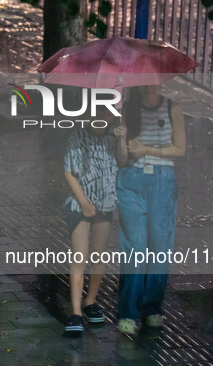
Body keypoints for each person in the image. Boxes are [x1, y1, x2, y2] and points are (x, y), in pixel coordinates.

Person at [116, 85, 186, 335]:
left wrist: (148, 150)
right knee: (134, 247)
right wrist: (120, 138)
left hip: (162, 180)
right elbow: (121, 160)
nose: (150, 82)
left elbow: (180, 149)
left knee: (159, 245)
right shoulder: (126, 109)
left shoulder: (172, 108)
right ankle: (128, 312)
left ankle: (152, 307)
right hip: (130, 180)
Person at [63, 107, 127, 334]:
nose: (103, 118)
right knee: (79, 255)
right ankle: (76, 311)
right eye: (98, 113)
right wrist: (84, 203)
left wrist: (122, 139)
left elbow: (123, 161)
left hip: (106, 202)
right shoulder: (78, 136)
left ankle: (91, 302)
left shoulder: (113, 136)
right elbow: (69, 172)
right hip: (81, 205)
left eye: (107, 114)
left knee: (99, 255)